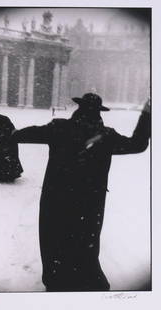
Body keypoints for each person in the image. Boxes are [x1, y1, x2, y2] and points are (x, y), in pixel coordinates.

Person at [10, 93, 150, 292]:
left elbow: (22, 135)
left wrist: (12, 132)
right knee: (85, 244)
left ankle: (56, 280)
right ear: (98, 113)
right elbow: (138, 144)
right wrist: (147, 114)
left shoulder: (59, 128)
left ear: (79, 109)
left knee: (54, 240)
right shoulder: (107, 136)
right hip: (89, 204)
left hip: (56, 200)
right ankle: (86, 283)